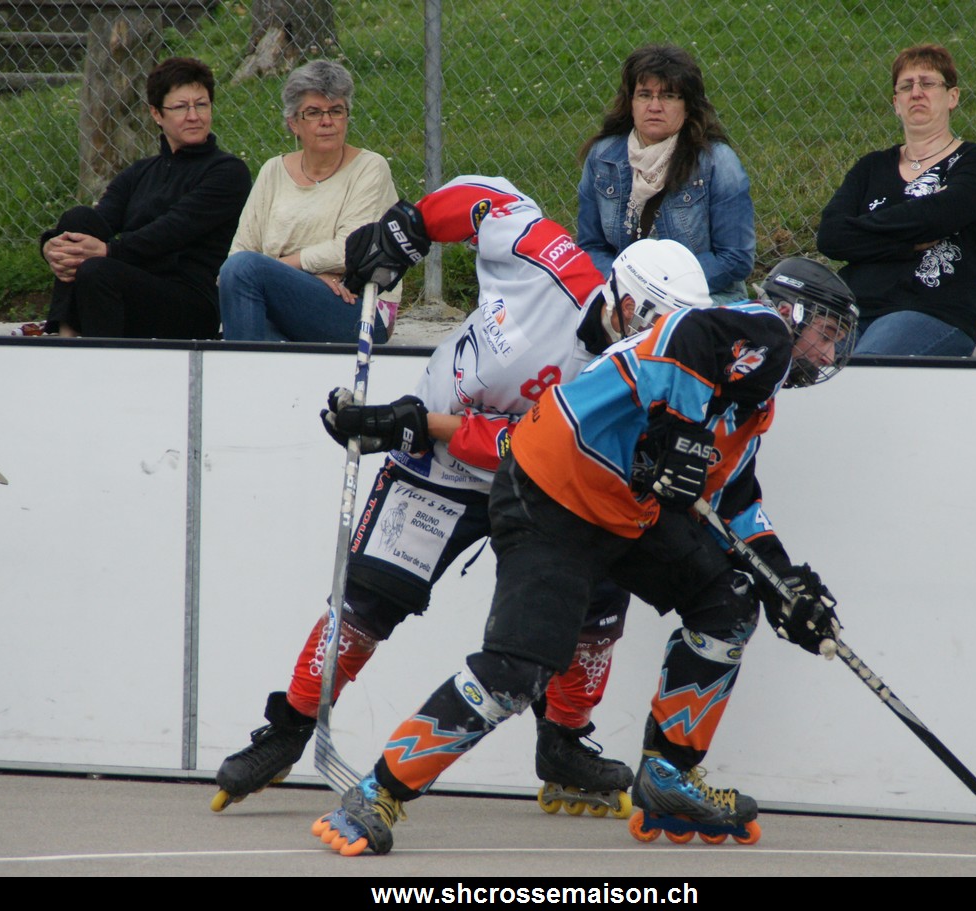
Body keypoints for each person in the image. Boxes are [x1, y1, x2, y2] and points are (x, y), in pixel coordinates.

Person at [312, 256, 859, 856]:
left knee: (729, 602)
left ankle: (669, 775)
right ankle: (377, 791)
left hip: (621, 514)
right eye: (826, 333)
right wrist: (680, 430)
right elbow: (688, 331)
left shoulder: (757, 399)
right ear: (791, 314)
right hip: (550, 491)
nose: (829, 353)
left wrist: (783, 581)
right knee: (519, 669)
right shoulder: (760, 330)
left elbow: (736, 499)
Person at [212, 177, 714, 818]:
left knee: (593, 606)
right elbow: (490, 198)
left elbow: (531, 444)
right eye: (651, 323)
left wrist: (416, 424)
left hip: (543, 481)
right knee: (367, 601)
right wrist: (411, 226)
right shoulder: (552, 267)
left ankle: (563, 743)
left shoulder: (649, 381)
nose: (654, 345)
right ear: (624, 297)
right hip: (436, 465)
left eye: (672, 333)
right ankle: (290, 726)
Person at [38, 57, 250, 339]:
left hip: (189, 301)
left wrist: (109, 251)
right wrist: (49, 246)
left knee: (98, 271)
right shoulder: (140, 172)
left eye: (201, 104)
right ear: (156, 114)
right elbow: (99, 220)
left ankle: (94, 355)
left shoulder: (228, 172)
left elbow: (172, 230)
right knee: (78, 219)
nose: (193, 116)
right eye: (180, 107)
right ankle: (65, 337)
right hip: (133, 283)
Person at [817, 44, 976, 356]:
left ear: (952, 97)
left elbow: (940, 215)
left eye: (927, 83)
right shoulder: (871, 167)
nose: (916, 93)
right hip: (853, 310)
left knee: (864, 370)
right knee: (797, 366)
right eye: (906, 86)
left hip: (931, 309)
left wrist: (864, 229)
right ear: (896, 103)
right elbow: (831, 237)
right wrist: (908, 243)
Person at [219, 61, 402, 343]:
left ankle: (245, 367)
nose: (327, 121)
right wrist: (307, 277)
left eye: (336, 111)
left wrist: (280, 269)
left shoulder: (370, 168)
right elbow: (239, 253)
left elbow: (349, 251)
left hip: (357, 305)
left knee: (245, 271)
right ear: (294, 123)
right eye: (314, 112)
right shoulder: (273, 171)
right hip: (284, 304)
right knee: (251, 313)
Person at [576, 44, 755, 306]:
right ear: (630, 103)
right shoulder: (602, 158)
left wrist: (659, 289)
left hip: (704, 299)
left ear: (688, 105)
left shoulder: (718, 163)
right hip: (624, 298)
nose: (655, 106)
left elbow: (735, 259)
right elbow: (591, 247)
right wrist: (624, 289)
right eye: (644, 95)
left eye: (668, 96)